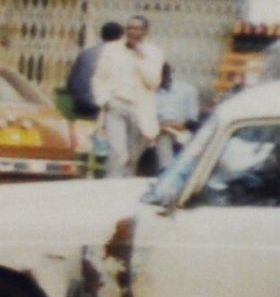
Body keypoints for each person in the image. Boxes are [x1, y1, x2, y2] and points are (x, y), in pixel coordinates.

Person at [94, 14, 167, 178]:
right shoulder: (111, 49)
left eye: (137, 28)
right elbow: (99, 77)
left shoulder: (154, 53)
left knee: (131, 157)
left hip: (140, 109)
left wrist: (140, 57)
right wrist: (103, 100)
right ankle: (110, 188)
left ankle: (123, 189)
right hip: (116, 104)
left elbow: (153, 83)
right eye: (130, 28)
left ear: (145, 31)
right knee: (118, 153)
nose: (132, 32)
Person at [148, 62, 202, 175]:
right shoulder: (150, 94)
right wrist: (163, 126)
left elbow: (192, 119)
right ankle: (166, 171)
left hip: (183, 129)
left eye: (164, 74)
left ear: (169, 73)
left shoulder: (188, 90)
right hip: (159, 131)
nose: (162, 78)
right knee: (163, 138)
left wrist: (175, 125)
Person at [63, 21, 120, 120]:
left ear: (102, 35)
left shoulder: (86, 52)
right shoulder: (118, 55)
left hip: (81, 104)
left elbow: (71, 83)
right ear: (120, 37)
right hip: (102, 108)